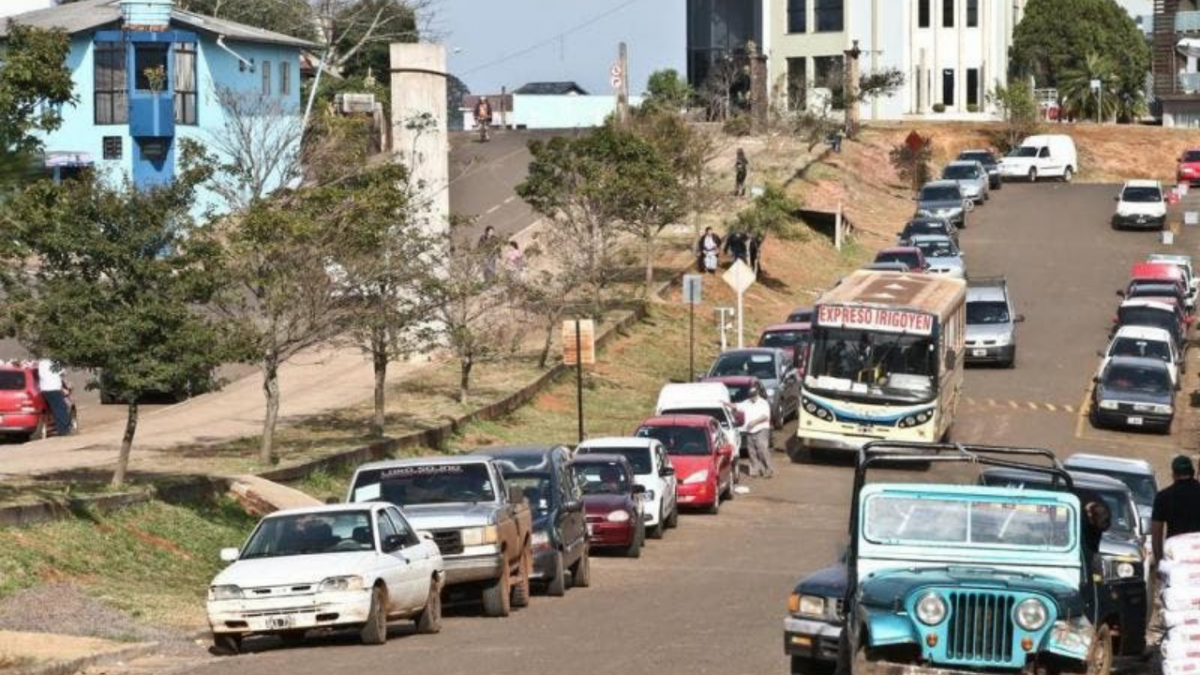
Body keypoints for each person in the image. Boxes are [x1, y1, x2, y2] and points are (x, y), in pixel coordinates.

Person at [1152, 455, 1200, 564]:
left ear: (1173, 474)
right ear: (1192, 472)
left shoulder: (1163, 497)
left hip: (1175, 556)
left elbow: (1156, 533)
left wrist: (1160, 562)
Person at [737, 386, 773, 479]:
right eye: (750, 396)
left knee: (762, 449)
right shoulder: (747, 402)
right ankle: (755, 470)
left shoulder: (763, 403)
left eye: (753, 395)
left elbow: (765, 416)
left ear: (757, 394)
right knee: (751, 451)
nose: (752, 397)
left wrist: (754, 422)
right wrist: (725, 403)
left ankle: (768, 469)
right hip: (750, 430)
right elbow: (737, 406)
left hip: (761, 429)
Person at [37, 359, 70, 436]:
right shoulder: (54, 363)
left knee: (56, 409)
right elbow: (64, 373)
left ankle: (61, 429)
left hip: (44, 390)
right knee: (61, 409)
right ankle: (63, 430)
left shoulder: (41, 363)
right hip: (54, 389)